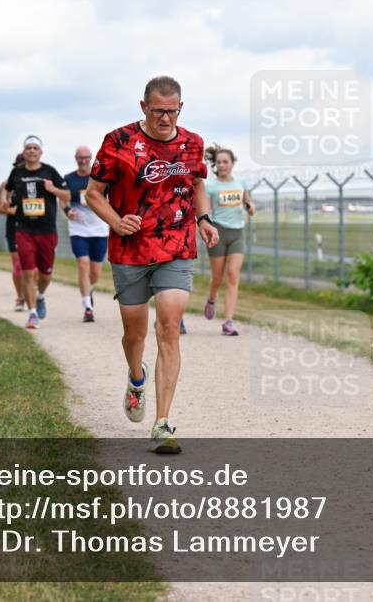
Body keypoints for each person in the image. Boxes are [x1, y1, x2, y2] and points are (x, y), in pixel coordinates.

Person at [86, 75, 218, 454]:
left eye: (172, 111)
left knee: (169, 326)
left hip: (176, 244)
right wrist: (115, 221)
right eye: (158, 111)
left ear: (181, 107)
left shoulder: (192, 143)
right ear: (143, 107)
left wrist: (204, 220)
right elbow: (93, 193)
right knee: (135, 334)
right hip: (130, 248)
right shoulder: (119, 142)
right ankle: (135, 376)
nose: (165, 118)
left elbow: (196, 185)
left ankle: (162, 423)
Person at [4, 136, 70, 329]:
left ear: (40, 152)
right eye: (28, 148)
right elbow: (7, 191)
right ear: (24, 152)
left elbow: (67, 195)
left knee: (46, 273)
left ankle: (40, 296)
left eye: (35, 148)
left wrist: (53, 189)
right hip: (24, 229)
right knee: (27, 272)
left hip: (47, 230)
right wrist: (5, 200)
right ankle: (32, 313)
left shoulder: (50, 171)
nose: (32, 151)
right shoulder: (16, 172)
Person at [202, 145, 255, 336]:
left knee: (232, 275)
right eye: (219, 162)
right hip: (218, 233)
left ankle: (228, 321)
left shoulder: (241, 182)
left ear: (232, 163)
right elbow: (206, 212)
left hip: (237, 233)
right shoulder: (211, 186)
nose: (222, 165)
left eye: (226, 162)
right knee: (217, 278)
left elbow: (247, 202)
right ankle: (211, 298)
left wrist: (250, 207)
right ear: (215, 165)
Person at [64, 145, 110, 323]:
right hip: (78, 229)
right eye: (79, 158)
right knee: (83, 264)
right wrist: (68, 211)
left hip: (99, 229)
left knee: (95, 272)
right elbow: (63, 200)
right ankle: (88, 307)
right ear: (76, 159)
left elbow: (110, 198)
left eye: (85, 157)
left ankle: (88, 289)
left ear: (90, 158)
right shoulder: (69, 179)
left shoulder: (100, 177)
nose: (83, 161)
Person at [0, 154, 27, 311]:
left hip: (33, 227)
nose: (20, 167)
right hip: (14, 227)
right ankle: (20, 297)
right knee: (17, 265)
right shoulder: (7, 185)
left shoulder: (34, 182)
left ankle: (31, 291)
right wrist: (12, 210)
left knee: (32, 265)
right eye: (18, 165)